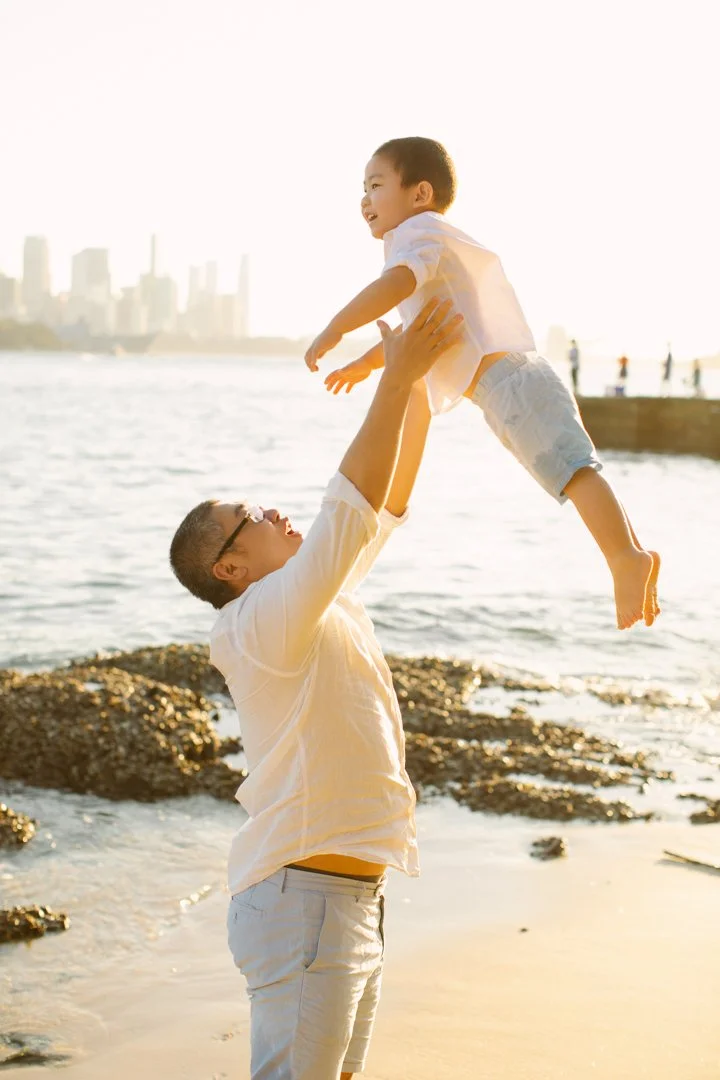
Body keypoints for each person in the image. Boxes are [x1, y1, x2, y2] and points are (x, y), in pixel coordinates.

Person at [169, 300, 463, 1080]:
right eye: (250, 516)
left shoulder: (313, 595)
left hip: (350, 899)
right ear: (228, 569)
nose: (273, 508)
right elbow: (345, 510)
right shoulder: (256, 622)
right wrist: (392, 382)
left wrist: (422, 392)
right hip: (305, 901)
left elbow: (384, 505)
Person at [304, 136, 660, 630]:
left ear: (420, 193)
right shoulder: (425, 244)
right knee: (570, 471)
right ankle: (632, 553)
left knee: (573, 472)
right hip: (509, 387)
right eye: (362, 188)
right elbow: (418, 329)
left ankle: (624, 557)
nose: (364, 198)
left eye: (376, 185)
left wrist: (338, 324)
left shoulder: (418, 235)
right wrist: (367, 364)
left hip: (511, 384)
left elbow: (395, 287)